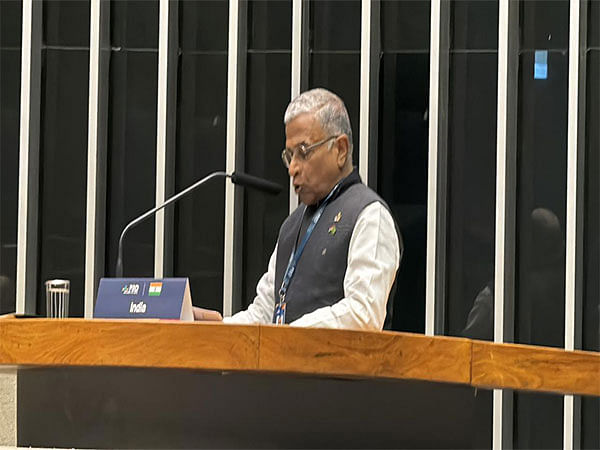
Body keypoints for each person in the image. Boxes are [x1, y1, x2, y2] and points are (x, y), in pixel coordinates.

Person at [196, 88, 401, 330]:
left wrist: (289, 334)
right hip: (285, 362)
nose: (292, 167)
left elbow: (363, 314)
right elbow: (264, 312)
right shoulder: (291, 226)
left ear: (341, 150)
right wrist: (215, 330)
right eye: (289, 155)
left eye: (303, 152)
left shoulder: (369, 215)